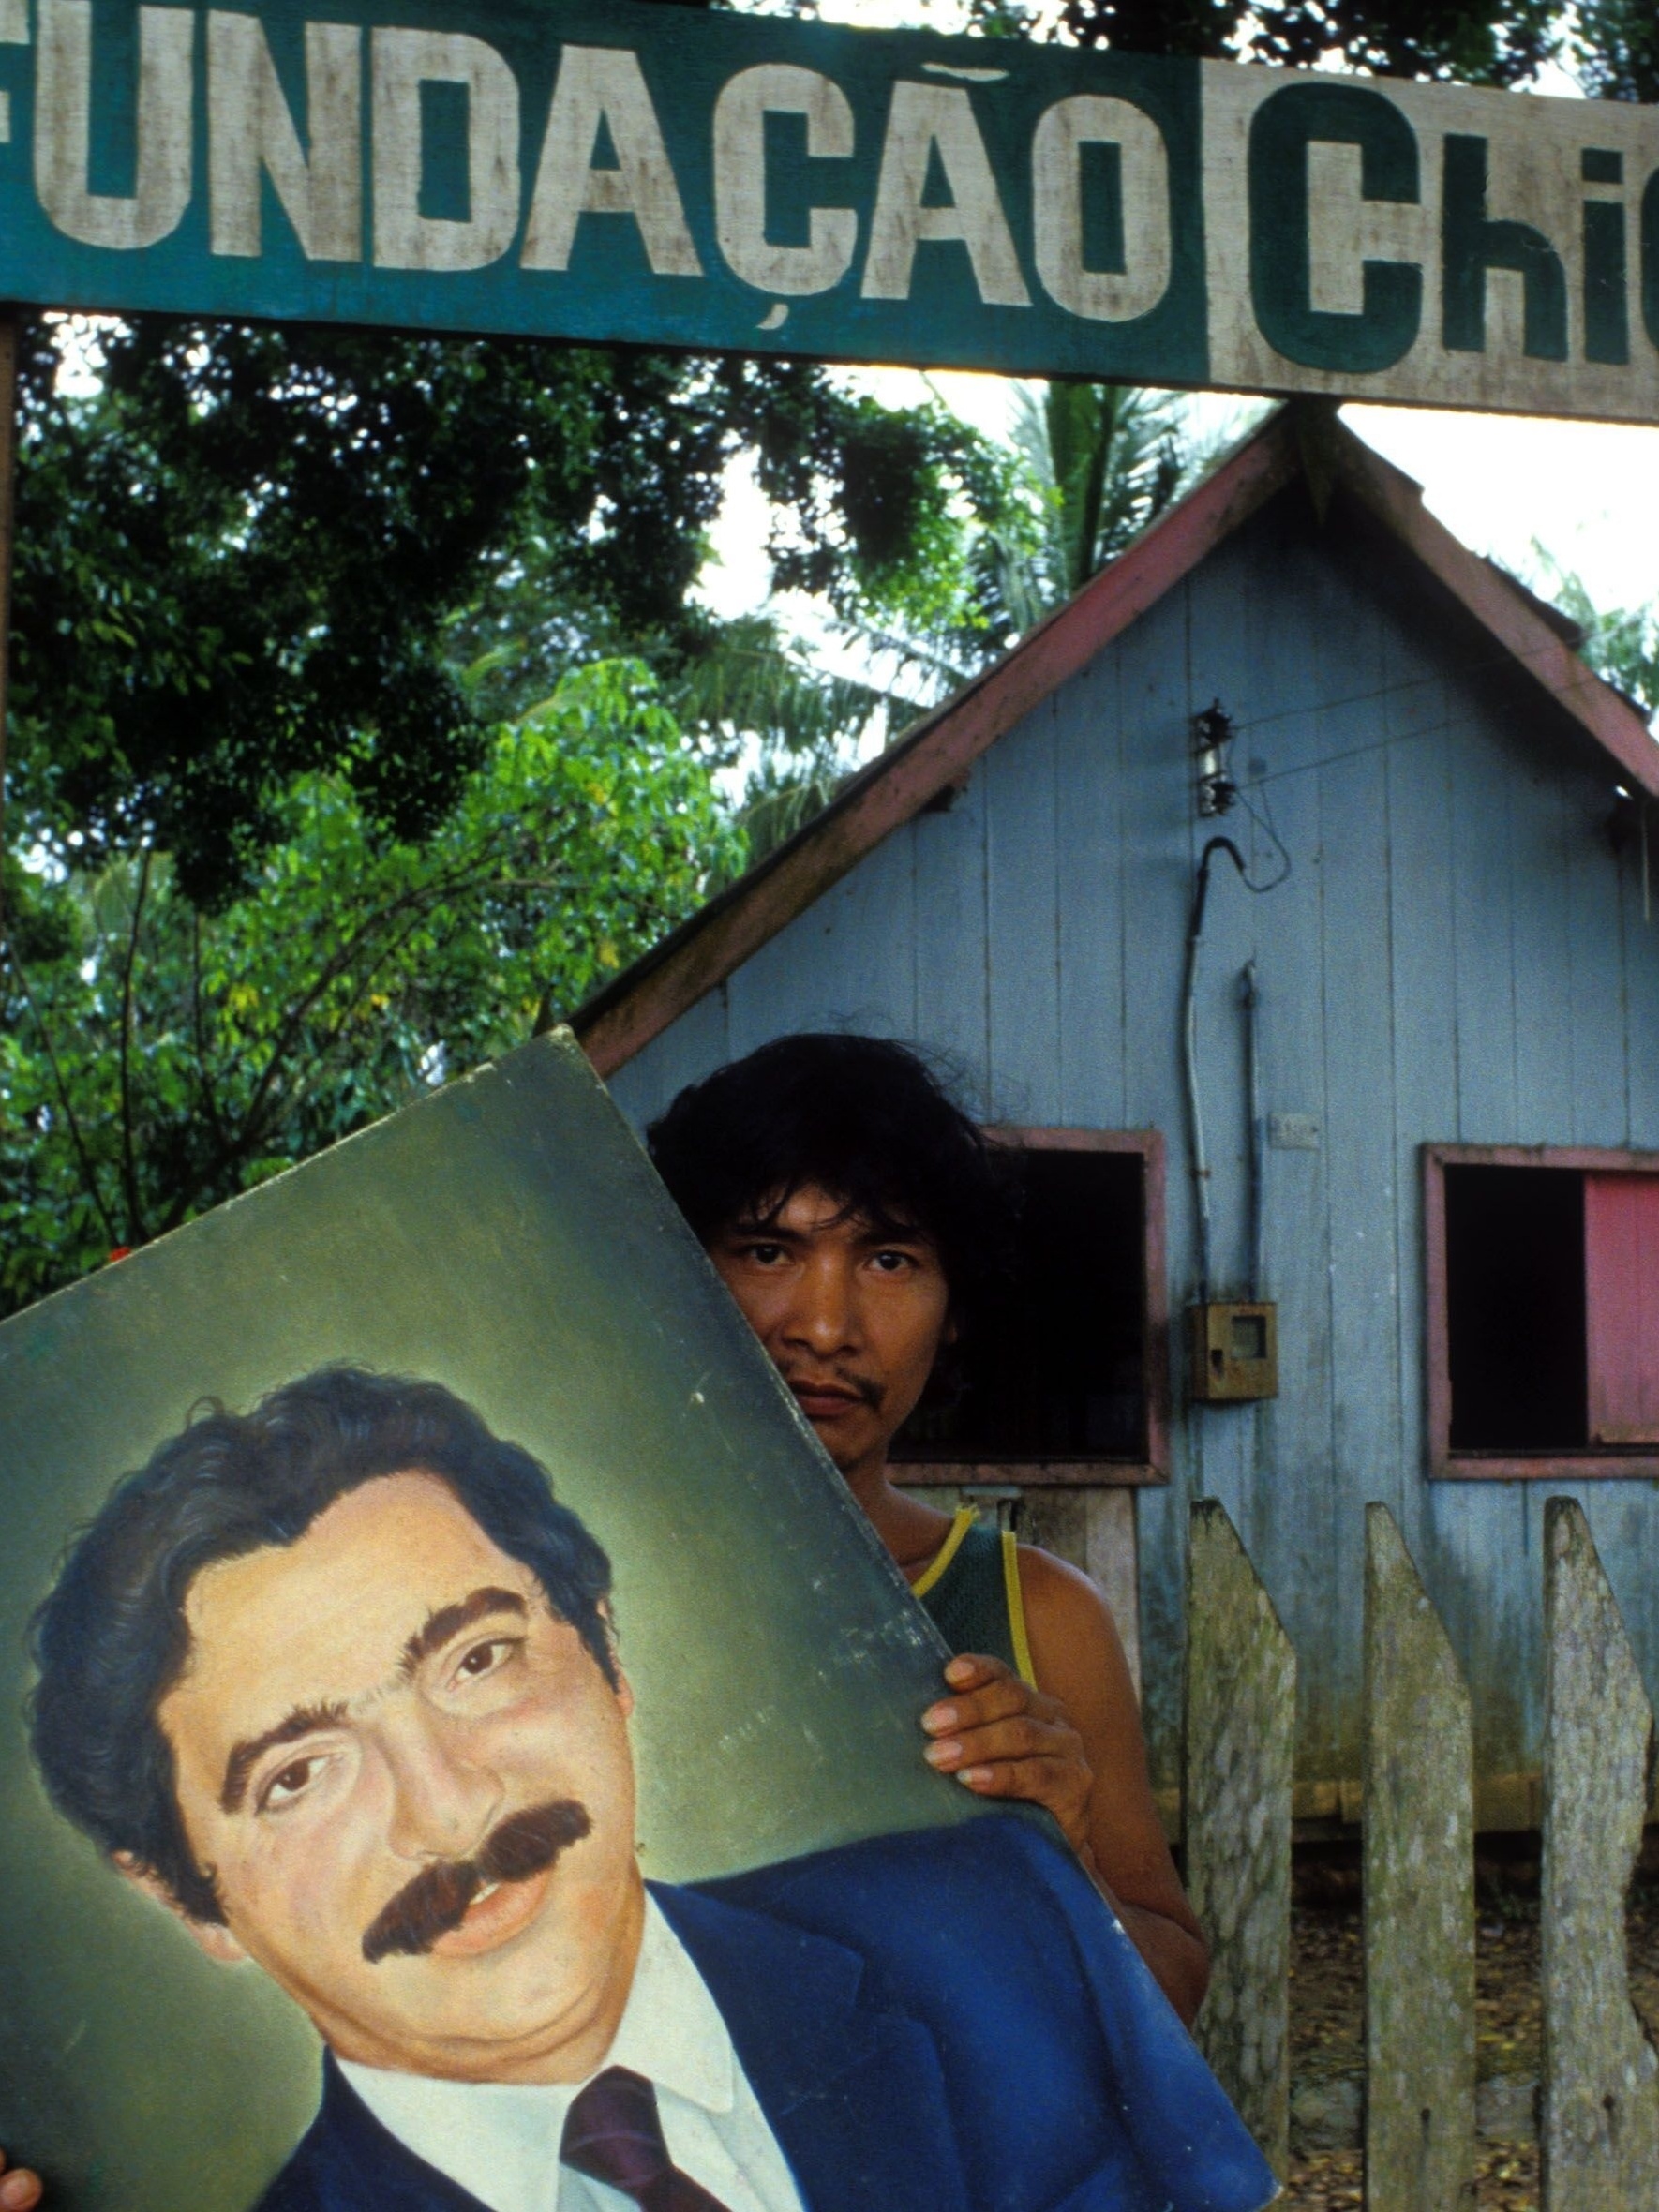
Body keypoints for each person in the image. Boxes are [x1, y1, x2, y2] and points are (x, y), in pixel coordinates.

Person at [25, 1367, 1274, 2212]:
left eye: (477, 1658)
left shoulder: (992, 1928)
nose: (450, 1810)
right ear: (186, 1895)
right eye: (299, 1773)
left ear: (607, 1651)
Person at [646, 1034, 1209, 2023]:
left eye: (890, 1257)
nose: (826, 1325)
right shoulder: (552, 1596)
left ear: (954, 1309)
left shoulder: (1038, 1613)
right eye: (769, 1249)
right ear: (684, 1272)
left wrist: (1064, 1853)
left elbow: (1175, 1990)